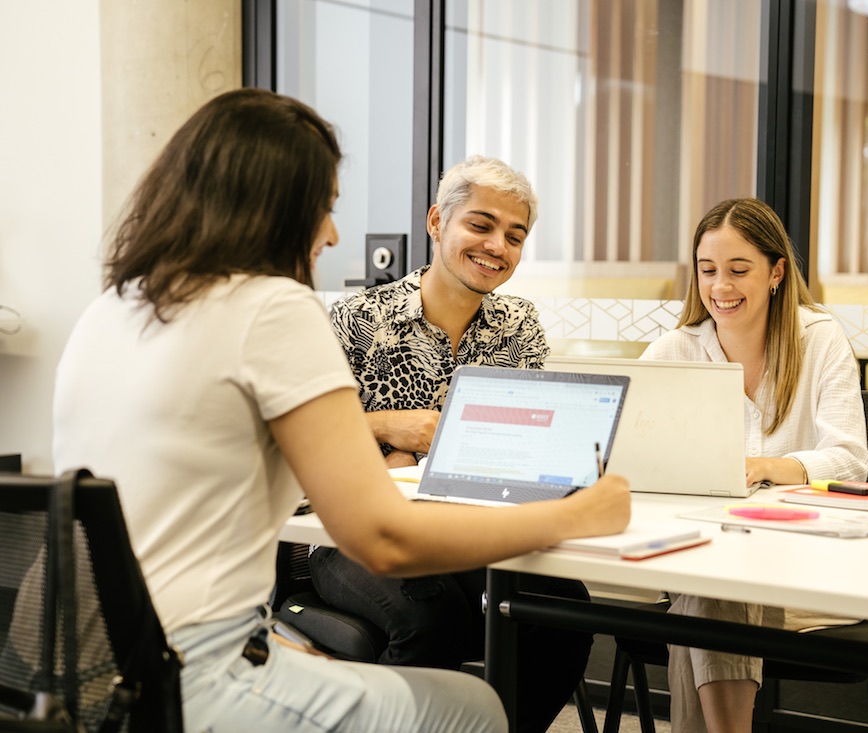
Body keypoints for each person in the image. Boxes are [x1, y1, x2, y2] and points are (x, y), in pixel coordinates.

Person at [51, 88, 631, 733]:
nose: (330, 233)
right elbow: (379, 538)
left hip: (74, 660)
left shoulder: (112, 307)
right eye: (321, 208)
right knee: (472, 709)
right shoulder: (273, 307)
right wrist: (576, 515)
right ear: (270, 206)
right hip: (192, 667)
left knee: (536, 615)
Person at [310, 154, 594, 733]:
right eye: (481, 225)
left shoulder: (518, 326)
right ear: (438, 222)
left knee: (565, 607)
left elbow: (525, 448)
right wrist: (389, 426)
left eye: (514, 237)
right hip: (347, 532)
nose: (497, 246)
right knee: (430, 616)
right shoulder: (357, 318)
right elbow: (309, 437)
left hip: (466, 525)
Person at [640, 197, 868, 733]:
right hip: (696, 565)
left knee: (704, 594)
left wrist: (765, 465)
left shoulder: (819, 339)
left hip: (806, 568)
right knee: (709, 580)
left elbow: (850, 460)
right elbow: (635, 461)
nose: (721, 286)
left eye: (739, 270)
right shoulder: (673, 351)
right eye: (708, 270)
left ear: (777, 272)